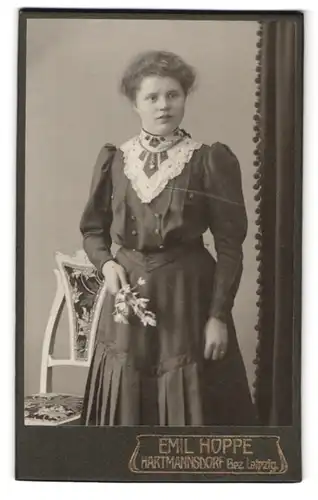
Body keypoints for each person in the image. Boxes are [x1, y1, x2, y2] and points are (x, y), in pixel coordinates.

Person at [79, 50, 256, 426]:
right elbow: (93, 230)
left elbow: (229, 246)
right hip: (127, 303)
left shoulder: (209, 160)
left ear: (185, 97)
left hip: (187, 300)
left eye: (173, 95)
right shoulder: (115, 160)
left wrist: (217, 316)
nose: (164, 106)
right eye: (152, 97)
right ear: (135, 103)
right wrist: (107, 264)